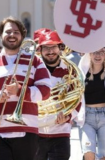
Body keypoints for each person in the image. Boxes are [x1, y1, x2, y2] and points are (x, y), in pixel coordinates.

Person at [0, 16, 51, 160]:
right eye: (8, 32)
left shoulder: (35, 61)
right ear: (1, 35)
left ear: (22, 35)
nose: (12, 35)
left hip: (27, 130)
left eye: (16, 32)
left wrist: (20, 90)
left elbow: (45, 92)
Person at [34, 30, 81, 160]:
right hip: (36, 132)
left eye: (53, 46)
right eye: (46, 48)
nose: (50, 51)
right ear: (40, 49)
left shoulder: (70, 71)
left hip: (61, 132)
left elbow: (78, 100)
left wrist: (68, 115)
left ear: (60, 47)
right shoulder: (32, 70)